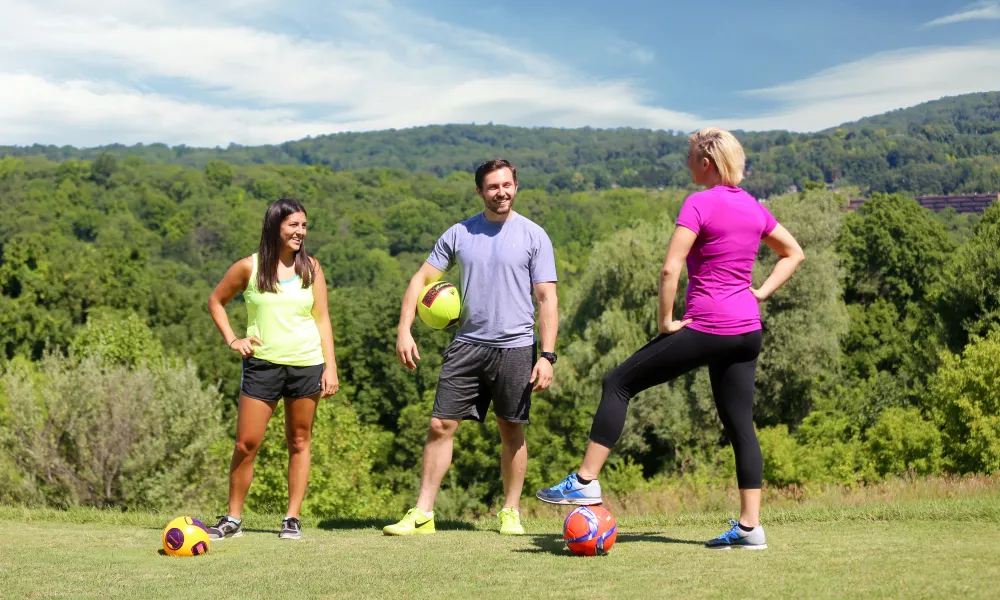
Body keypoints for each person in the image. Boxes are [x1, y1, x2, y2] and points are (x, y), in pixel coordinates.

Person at [536, 128, 805, 550]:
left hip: (708, 327)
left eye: (691, 157)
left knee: (618, 383)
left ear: (707, 163)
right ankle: (751, 529)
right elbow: (794, 252)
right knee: (741, 427)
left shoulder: (699, 203)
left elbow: (670, 268)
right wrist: (762, 292)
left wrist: (665, 321)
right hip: (747, 330)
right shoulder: (754, 207)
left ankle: (586, 480)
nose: (686, 164)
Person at [383, 158, 559, 536]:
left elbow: (546, 298)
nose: (502, 192)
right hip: (467, 346)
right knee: (439, 424)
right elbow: (420, 280)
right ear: (480, 191)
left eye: (507, 185)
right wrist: (404, 329)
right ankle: (423, 513)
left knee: (511, 429)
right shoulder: (460, 234)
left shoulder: (534, 235)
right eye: (493, 187)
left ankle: (510, 512)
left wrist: (547, 355)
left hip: (515, 347)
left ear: (516, 187)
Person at [205, 198, 340, 541]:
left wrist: (330, 367)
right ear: (275, 226)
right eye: (293, 225)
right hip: (262, 366)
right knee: (246, 444)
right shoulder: (248, 268)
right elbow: (215, 301)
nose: (300, 232)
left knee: (299, 441)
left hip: (307, 364)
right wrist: (233, 340)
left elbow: (322, 318)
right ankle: (233, 519)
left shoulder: (312, 268)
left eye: (304, 226)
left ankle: (291, 518)